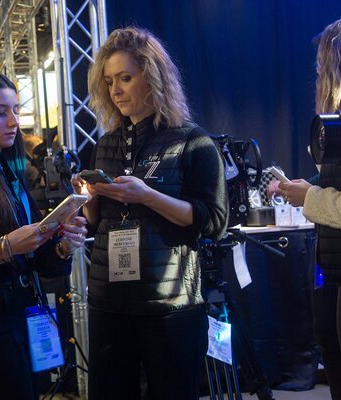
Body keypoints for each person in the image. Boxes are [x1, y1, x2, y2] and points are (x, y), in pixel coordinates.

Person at [72, 26, 228, 400]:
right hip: (109, 300)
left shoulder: (194, 142)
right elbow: (98, 222)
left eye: (125, 78)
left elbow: (214, 221)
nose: (116, 90)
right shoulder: (105, 145)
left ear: (153, 77)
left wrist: (146, 195)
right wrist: (87, 197)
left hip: (169, 306)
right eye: (109, 81)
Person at [0, 71, 87, 400]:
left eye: (16, 110)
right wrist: (3, 248)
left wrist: (61, 244)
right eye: (0, 112)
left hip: (21, 308)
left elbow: (36, 260)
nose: (14, 121)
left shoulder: (7, 172)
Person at [278, 12, 341, 400]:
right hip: (339, 270)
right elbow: (340, 181)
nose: (319, 75)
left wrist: (307, 198)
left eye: (323, 66)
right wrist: (306, 187)